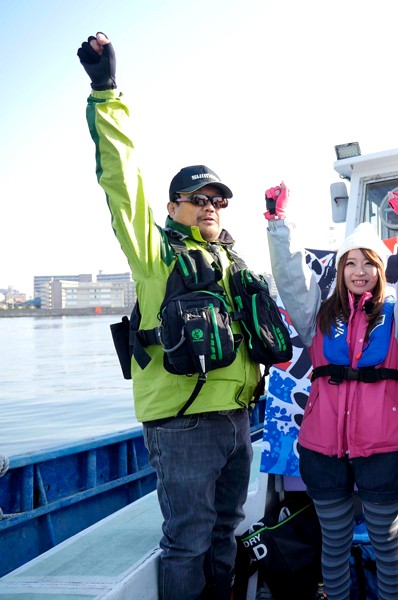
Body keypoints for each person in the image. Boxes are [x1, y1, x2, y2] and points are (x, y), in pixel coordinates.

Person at [78, 33, 269, 600]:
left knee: (224, 532)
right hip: (183, 424)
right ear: (172, 208)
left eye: (217, 201)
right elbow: (122, 182)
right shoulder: (155, 253)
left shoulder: (230, 260)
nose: (209, 208)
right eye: (198, 199)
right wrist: (105, 91)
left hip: (236, 422)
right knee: (187, 540)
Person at [263, 183, 398, 600]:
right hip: (323, 451)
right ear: (339, 271)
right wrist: (277, 224)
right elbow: (290, 279)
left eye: (370, 264)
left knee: (386, 543)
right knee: (334, 545)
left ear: (381, 270)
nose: (359, 272)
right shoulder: (317, 316)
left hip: (383, 451)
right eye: (350, 264)